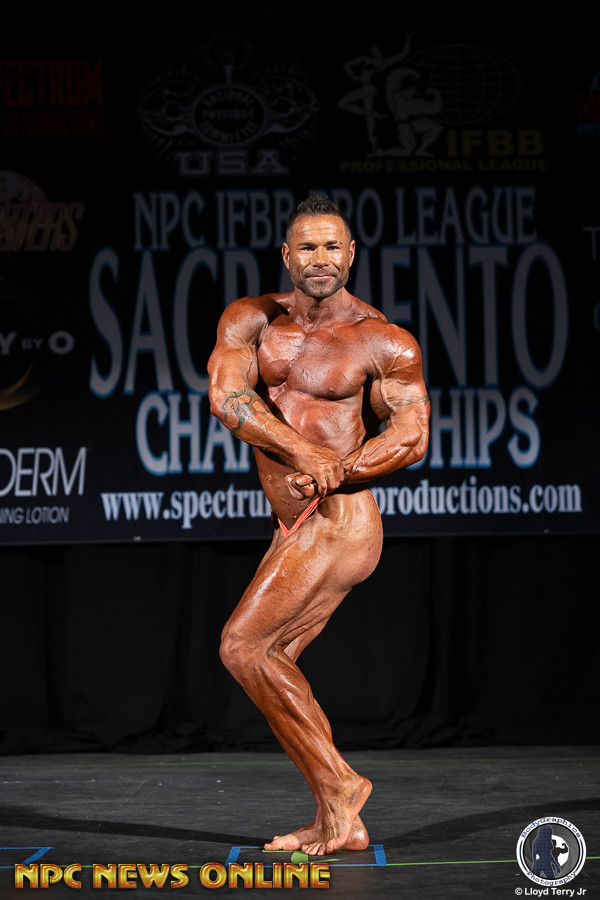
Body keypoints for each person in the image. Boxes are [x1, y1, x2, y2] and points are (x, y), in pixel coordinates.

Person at [207, 194, 430, 856]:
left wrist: (343, 469)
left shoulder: (381, 339)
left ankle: (342, 787)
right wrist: (306, 454)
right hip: (292, 522)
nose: (321, 258)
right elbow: (227, 396)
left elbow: (411, 435)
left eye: (333, 246)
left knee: (242, 648)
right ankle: (340, 818)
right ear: (287, 254)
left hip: (340, 520)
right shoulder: (250, 319)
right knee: (269, 662)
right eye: (308, 246)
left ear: (351, 254)